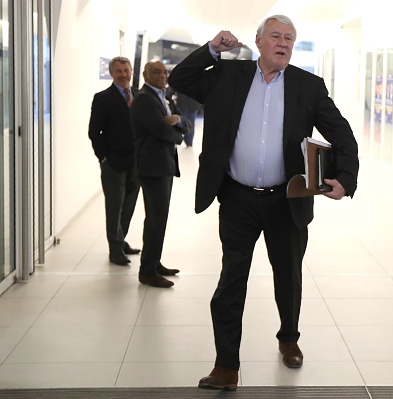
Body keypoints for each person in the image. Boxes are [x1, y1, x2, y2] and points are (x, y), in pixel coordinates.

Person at [168, 15, 359, 390]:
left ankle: (289, 338)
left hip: (285, 201)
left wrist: (346, 180)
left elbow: (343, 135)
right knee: (231, 281)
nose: (283, 42)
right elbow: (179, 80)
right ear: (258, 41)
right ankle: (226, 365)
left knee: (288, 275)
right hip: (237, 198)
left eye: (289, 37)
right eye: (275, 35)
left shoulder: (308, 86)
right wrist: (210, 50)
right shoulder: (228, 77)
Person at [129, 60, 190, 288]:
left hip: (164, 165)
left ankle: (154, 263)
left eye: (165, 72)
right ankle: (147, 272)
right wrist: (180, 135)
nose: (162, 75)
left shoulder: (162, 97)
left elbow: (185, 122)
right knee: (156, 218)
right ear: (145, 75)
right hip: (152, 167)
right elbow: (161, 130)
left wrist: (178, 121)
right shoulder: (144, 99)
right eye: (157, 72)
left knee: (159, 218)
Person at [88, 56, 141, 266]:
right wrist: (103, 157)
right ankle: (115, 249)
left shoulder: (139, 95)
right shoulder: (103, 98)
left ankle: (121, 239)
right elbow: (94, 131)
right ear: (112, 73)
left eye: (126, 70)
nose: (124, 74)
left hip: (136, 162)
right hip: (113, 162)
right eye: (119, 71)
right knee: (114, 206)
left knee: (129, 204)